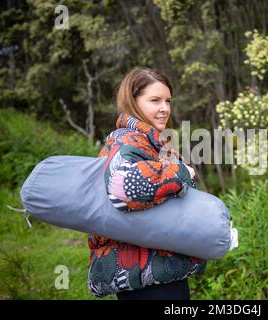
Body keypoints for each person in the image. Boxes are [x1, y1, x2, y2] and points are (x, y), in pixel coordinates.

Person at [87, 67, 206, 300]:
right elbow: (124, 187)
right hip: (146, 281)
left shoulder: (151, 143)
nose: (165, 108)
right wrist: (181, 172)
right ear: (133, 101)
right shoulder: (126, 140)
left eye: (168, 101)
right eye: (155, 100)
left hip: (159, 271)